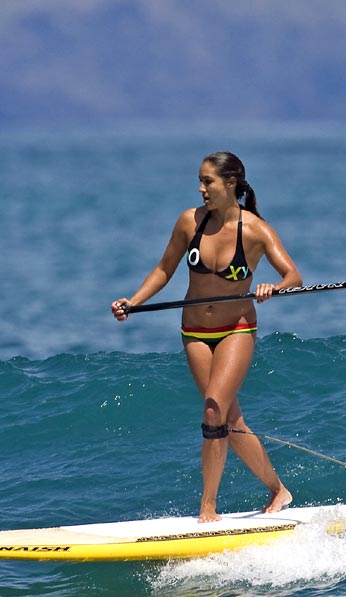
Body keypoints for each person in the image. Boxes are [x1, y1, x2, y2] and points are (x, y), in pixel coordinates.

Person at [112, 152, 301, 522]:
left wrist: (272, 288)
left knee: (214, 406)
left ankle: (207, 509)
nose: (201, 189)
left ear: (231, 183)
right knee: (229, 420)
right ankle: (279, 490)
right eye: (200, 181)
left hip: (236, 329)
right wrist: (132, 302)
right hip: (194, 331)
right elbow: (164, 269)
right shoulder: (190, 222)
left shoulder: (256, 231)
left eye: (208, 182)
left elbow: (293, 275)